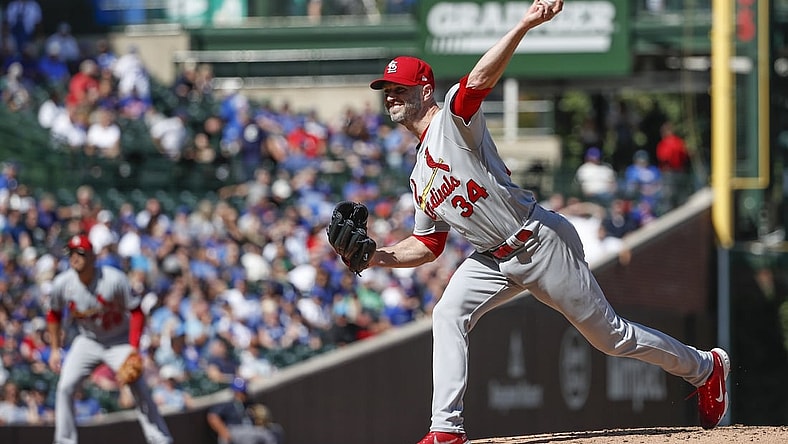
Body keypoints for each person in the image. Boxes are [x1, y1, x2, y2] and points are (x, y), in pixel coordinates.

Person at [360, 1, 729, 443]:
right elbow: (428, 245)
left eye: (399, 87)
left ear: (425, 89)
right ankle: (446, 430)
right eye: (387, 89)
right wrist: (374, 256)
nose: (390, 95)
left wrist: (524, 24)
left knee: (610, 338)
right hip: (492, 260)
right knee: (447, 313)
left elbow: (476, 82)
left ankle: (705, 367)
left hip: (539, 241)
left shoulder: (453, 124)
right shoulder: (418, 174)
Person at [46, 234, 173, 444]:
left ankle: (160, 439)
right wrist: (53, 349)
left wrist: (133, 348)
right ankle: (64, 441)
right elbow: (54, 315)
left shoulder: (113, 279)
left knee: (139, 387)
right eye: (72, 254)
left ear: (93, 257)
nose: (75, 258)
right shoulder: (63, 283)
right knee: (65, 387)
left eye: (81, 253)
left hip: (118, 340)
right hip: (88, 340)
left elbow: (137, 312)